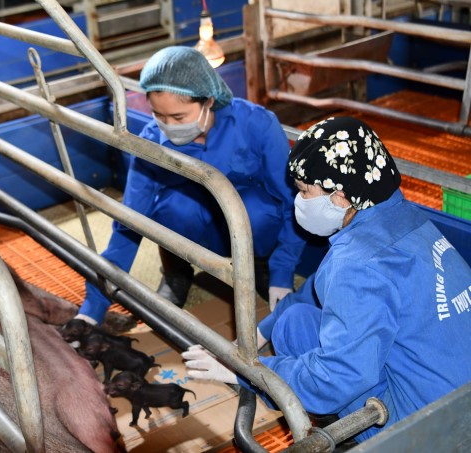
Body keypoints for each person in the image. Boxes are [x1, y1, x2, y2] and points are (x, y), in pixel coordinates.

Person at [182, 116, 471, 443]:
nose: (300, 201)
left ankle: (357, 439)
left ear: (341, 196)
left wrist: (247, 372)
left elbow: (335, 379)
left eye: (305, 191)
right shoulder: (403, 218)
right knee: (291, 318)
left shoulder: (357, 263)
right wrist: (260, 332)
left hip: (432, 430)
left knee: (296, 334)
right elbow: (326, 287)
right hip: (459, 399)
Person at [73, 46, 307, 326]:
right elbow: (128, 223)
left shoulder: (257, 125)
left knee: (258, 210)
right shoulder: (150, 143)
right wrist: (92, 308)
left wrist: (283, 270)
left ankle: (260, 266)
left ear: (208, 101)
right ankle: (177, 272)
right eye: (159, 116)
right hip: (194, 228)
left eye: (179, 118)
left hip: (251, 230)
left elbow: (294, 201)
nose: (169, 126)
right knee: (174, 206)